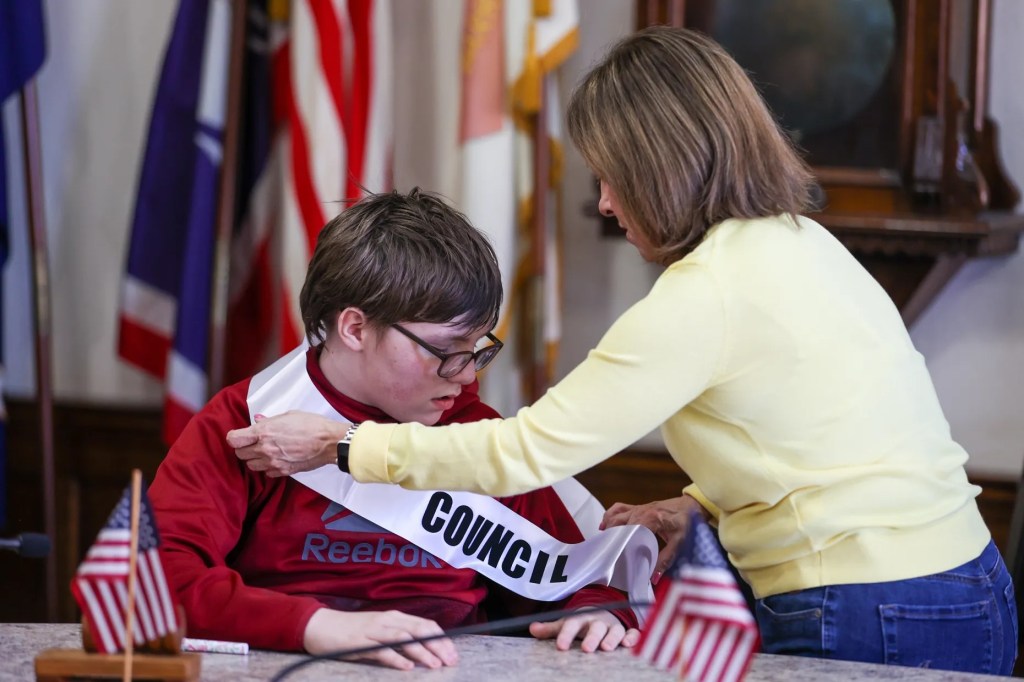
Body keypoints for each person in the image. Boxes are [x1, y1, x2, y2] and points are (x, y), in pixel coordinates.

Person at [226, 27, 1018, 675]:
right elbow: (833, 435)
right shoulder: (800, 242)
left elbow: (524, 453)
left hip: (869, 605)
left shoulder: (701, 296)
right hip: (965, 583)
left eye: (611, 176)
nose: (604, 201)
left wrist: (347, 443)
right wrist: (699, 505)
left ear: (662, 166)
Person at [149, 188, 640, 672]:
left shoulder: (476, 433)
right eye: (445, 351)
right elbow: (155, 581)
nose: (469, 376)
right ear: (355, 329)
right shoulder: (246, 419)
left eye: (478, 347)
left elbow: (582, 573)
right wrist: (315, 627)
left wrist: (595, 610)